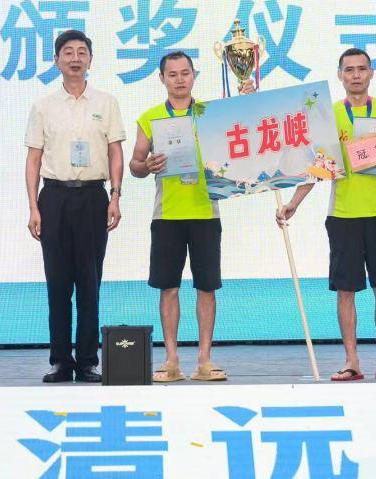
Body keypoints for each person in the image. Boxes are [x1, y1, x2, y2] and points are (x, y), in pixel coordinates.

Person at [275, 48, 376, 381]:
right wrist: (294, 203)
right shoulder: (330, 115)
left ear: (371, 73)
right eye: (349, 70)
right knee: (345, 291)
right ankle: (352, 361)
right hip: (342, 215)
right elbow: (320, 167)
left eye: (361, 69)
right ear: (340, 75)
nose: (355, 75)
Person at [128, 51, 253, 382]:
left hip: (205, 212)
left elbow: (242, 139)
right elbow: (135, 165)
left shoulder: (210, 114)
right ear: (162, 79)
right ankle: (171, 360)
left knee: (206, 288)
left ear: (194, 75)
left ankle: (204, 360)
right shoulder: (150, 118)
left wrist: (248, 99)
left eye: (185, 73)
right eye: (173, 74)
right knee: (168, 288)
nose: (180, 79)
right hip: (167, 215)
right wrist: (147, 165)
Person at [26, 30, 125, 383]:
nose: (75, 58)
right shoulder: (43, 107)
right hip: (53, 197)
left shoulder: (106, 103)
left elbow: (115, 152)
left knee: (89, 282)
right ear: (56, 60)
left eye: (82, 52)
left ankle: (87, 361)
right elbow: (33, 160)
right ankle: (60, 361)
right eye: (67, 52)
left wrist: (115, 196)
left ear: (90, 60)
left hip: (93, 197)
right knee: (57, 283)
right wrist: (33, 207)